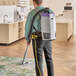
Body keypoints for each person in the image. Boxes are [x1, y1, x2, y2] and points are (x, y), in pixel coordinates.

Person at [25, 0, 54, 76]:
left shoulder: (31, 13)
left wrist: (28, 39)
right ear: (42, 2)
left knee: (38, 61)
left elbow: (28, 28)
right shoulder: (50, 11)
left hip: (37, 39)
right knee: (49, 59)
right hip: (48, 38)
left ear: (34, 2)